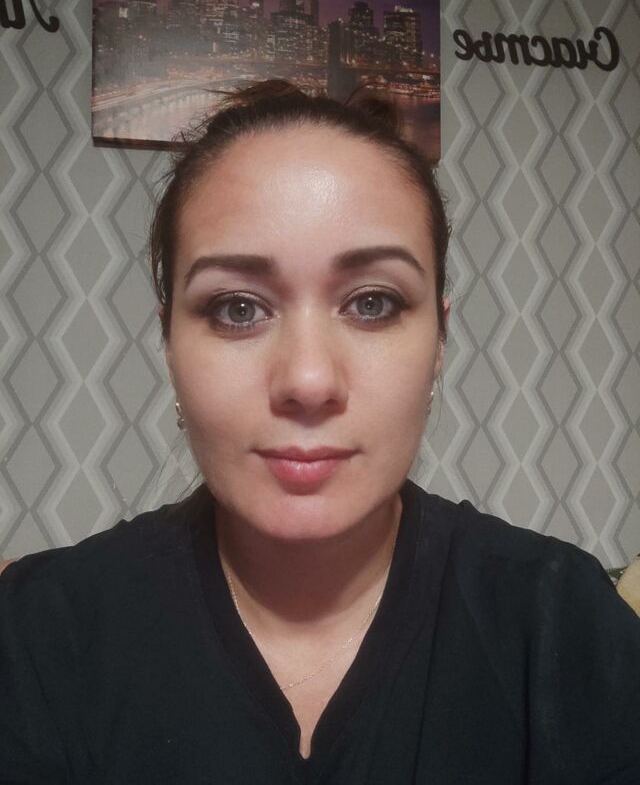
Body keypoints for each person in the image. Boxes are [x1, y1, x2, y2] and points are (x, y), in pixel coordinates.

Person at [1, 80, 639, 784]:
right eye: (238, 308)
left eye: (373, 303)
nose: (307, 380)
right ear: (169, 343)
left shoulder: (560, 622)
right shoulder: (39, 634)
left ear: (440, 340)